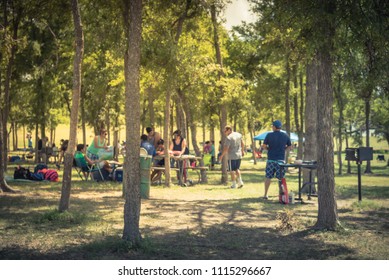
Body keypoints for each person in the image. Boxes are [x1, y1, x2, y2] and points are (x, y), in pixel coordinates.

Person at [261, 120, 292, 199]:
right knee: (281, 178)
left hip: (271, 159)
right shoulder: (285, 135)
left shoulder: (269, 135)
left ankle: (265, 194)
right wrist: (284, 149)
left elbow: (264, 146)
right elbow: (290, 146)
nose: (272, 127)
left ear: (274, 127)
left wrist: (268, 148)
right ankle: (282, 195)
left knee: (268, 177)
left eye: (272, 126)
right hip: (281, 160)